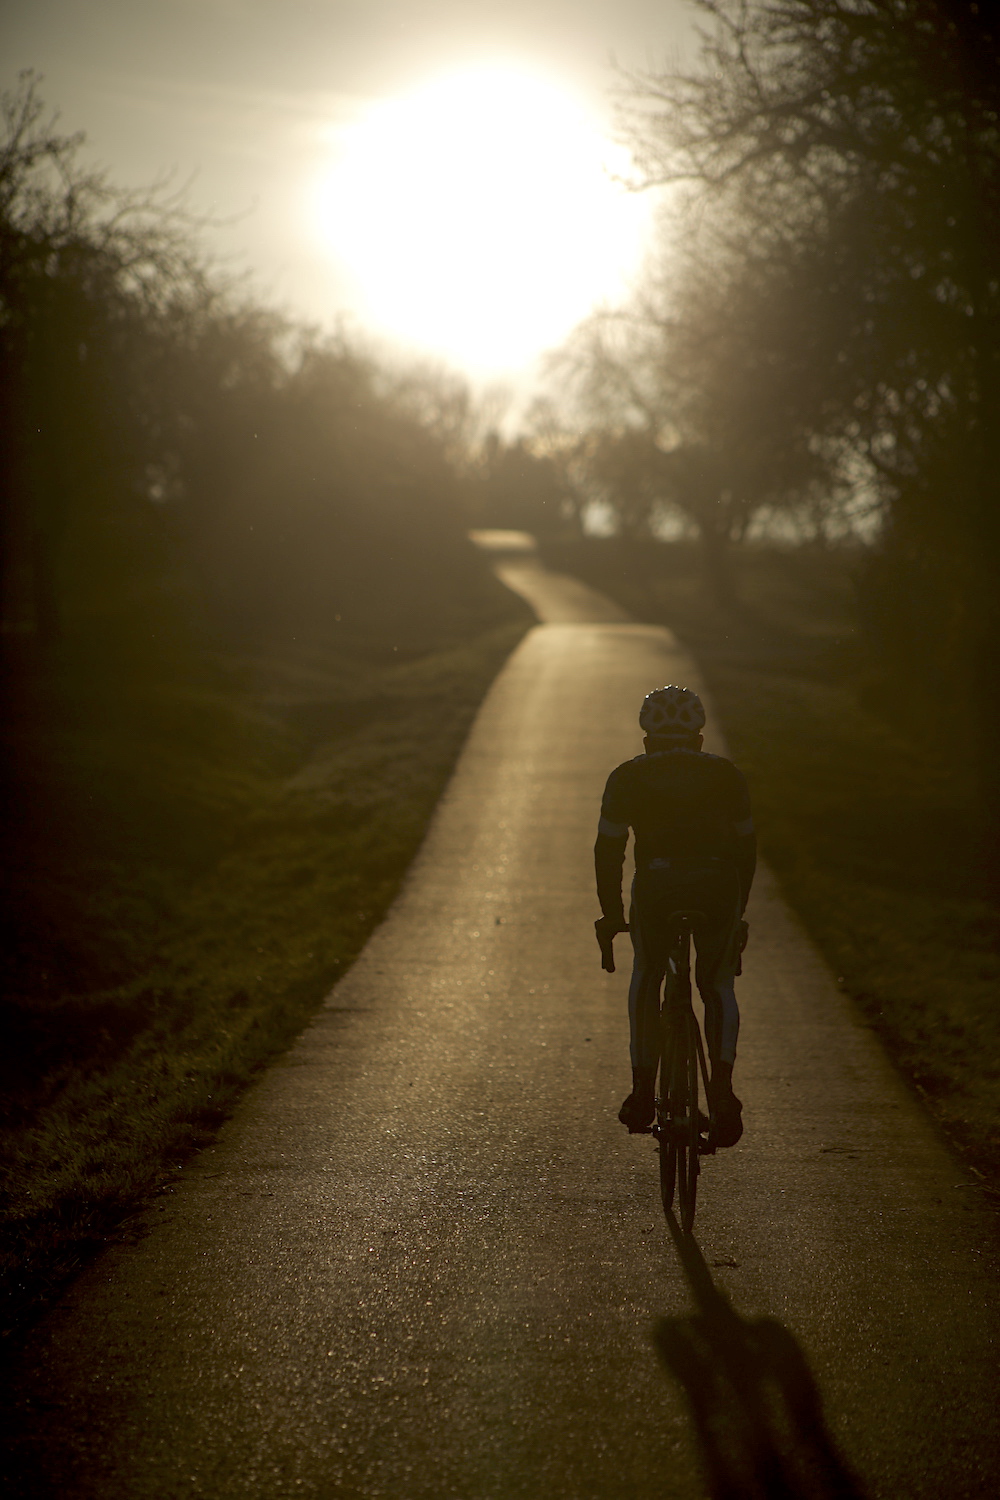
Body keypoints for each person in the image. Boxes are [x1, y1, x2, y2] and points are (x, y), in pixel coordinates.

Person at [594, 684, 755, 1147]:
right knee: (717, 983)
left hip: (658, 886)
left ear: (646, 738)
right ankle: (722, 1092)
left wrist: (610, 913)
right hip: (718, 884)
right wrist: (737, 914)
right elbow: (747, 850)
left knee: (647, 972)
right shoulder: (727, 775)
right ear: (699, 737)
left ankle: (644, 1091)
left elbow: (609, 851)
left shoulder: (626, 776)